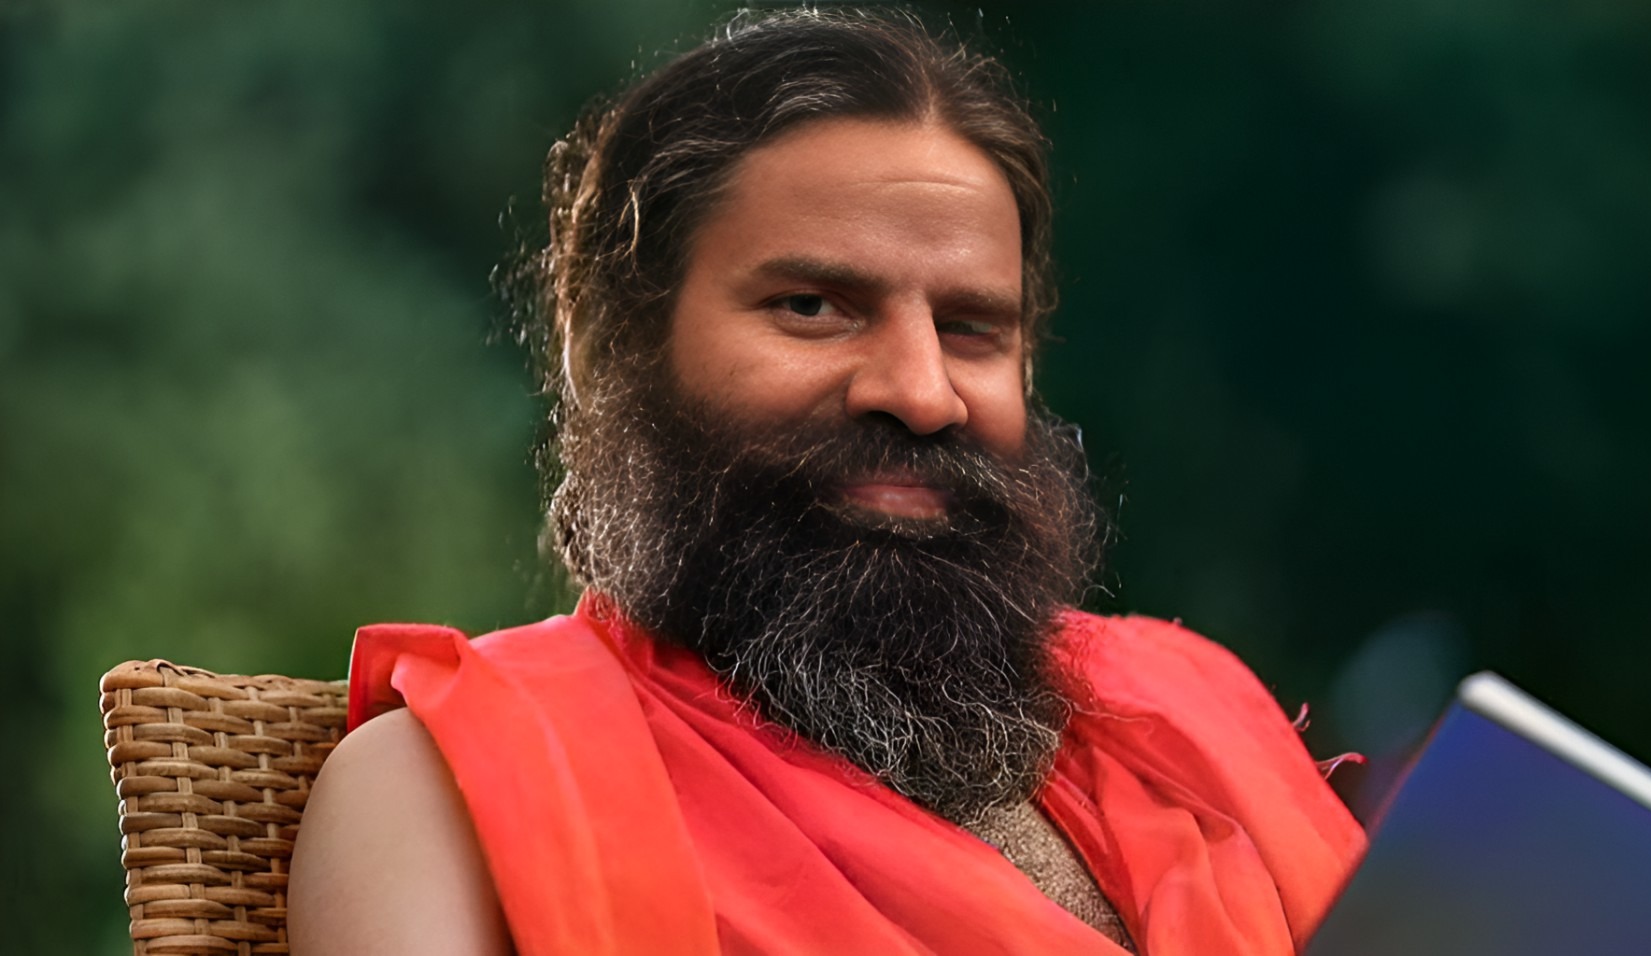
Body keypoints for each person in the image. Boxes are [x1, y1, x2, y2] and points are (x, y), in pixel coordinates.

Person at [289, 9, 1364, 955]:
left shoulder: (1193, 713)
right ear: (615, 348)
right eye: (811, 307)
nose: (922, 392)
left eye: (970, 328)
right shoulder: (453, 790)